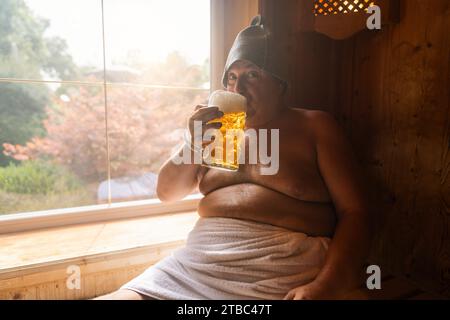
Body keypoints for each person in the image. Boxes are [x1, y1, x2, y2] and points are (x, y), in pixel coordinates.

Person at [95, 15, 374, 300]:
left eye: (252, 75)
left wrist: (325, 286)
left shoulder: (313, 126)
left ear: (280, 83)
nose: (238, 88)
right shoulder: (219, 133)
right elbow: (166, 192)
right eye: (232, 78)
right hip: (195, 266)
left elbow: (356, 212)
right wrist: (194, 142)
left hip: (279, 272)